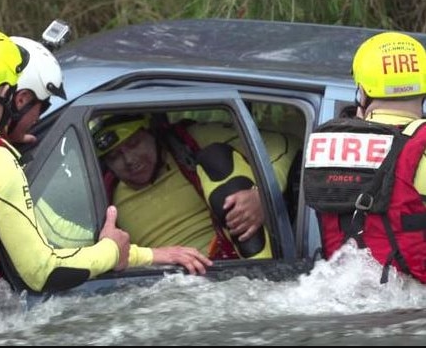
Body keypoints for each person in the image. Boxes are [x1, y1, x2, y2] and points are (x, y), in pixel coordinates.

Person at [0, 27, 211, 316]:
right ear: (10, 96)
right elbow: (41, 271)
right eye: (40, 108)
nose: (37, 118)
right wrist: (113, 251)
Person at [89, 112, 300, 260]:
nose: (129, 160)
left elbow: (288, 144)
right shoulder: (102, 198)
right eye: (115, 156)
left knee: (216, 158)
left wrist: (263, 197)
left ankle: (260, 270)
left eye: (134, 143)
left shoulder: (191, 141)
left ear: (151, 132)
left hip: (233, 272)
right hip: (162, 290)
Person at [303, 31, 426, 284]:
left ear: (361, 92)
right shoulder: (420, 148)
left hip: (339, 295)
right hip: (411, 306)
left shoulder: (326, 145)